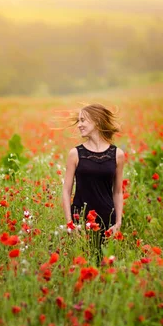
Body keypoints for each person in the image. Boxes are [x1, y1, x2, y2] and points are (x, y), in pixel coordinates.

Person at [62, 103, 125, 263]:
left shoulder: (117, 154)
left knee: (104, 268)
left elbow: (118, 192)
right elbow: (66, 191)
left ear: (96, 121)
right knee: (81, 266)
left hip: (107, 221)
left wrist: (118, 222)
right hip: (80, 221)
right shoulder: (75, 154)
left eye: (83, 120)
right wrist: (70, 223)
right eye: (78, 121)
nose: (79, 125)